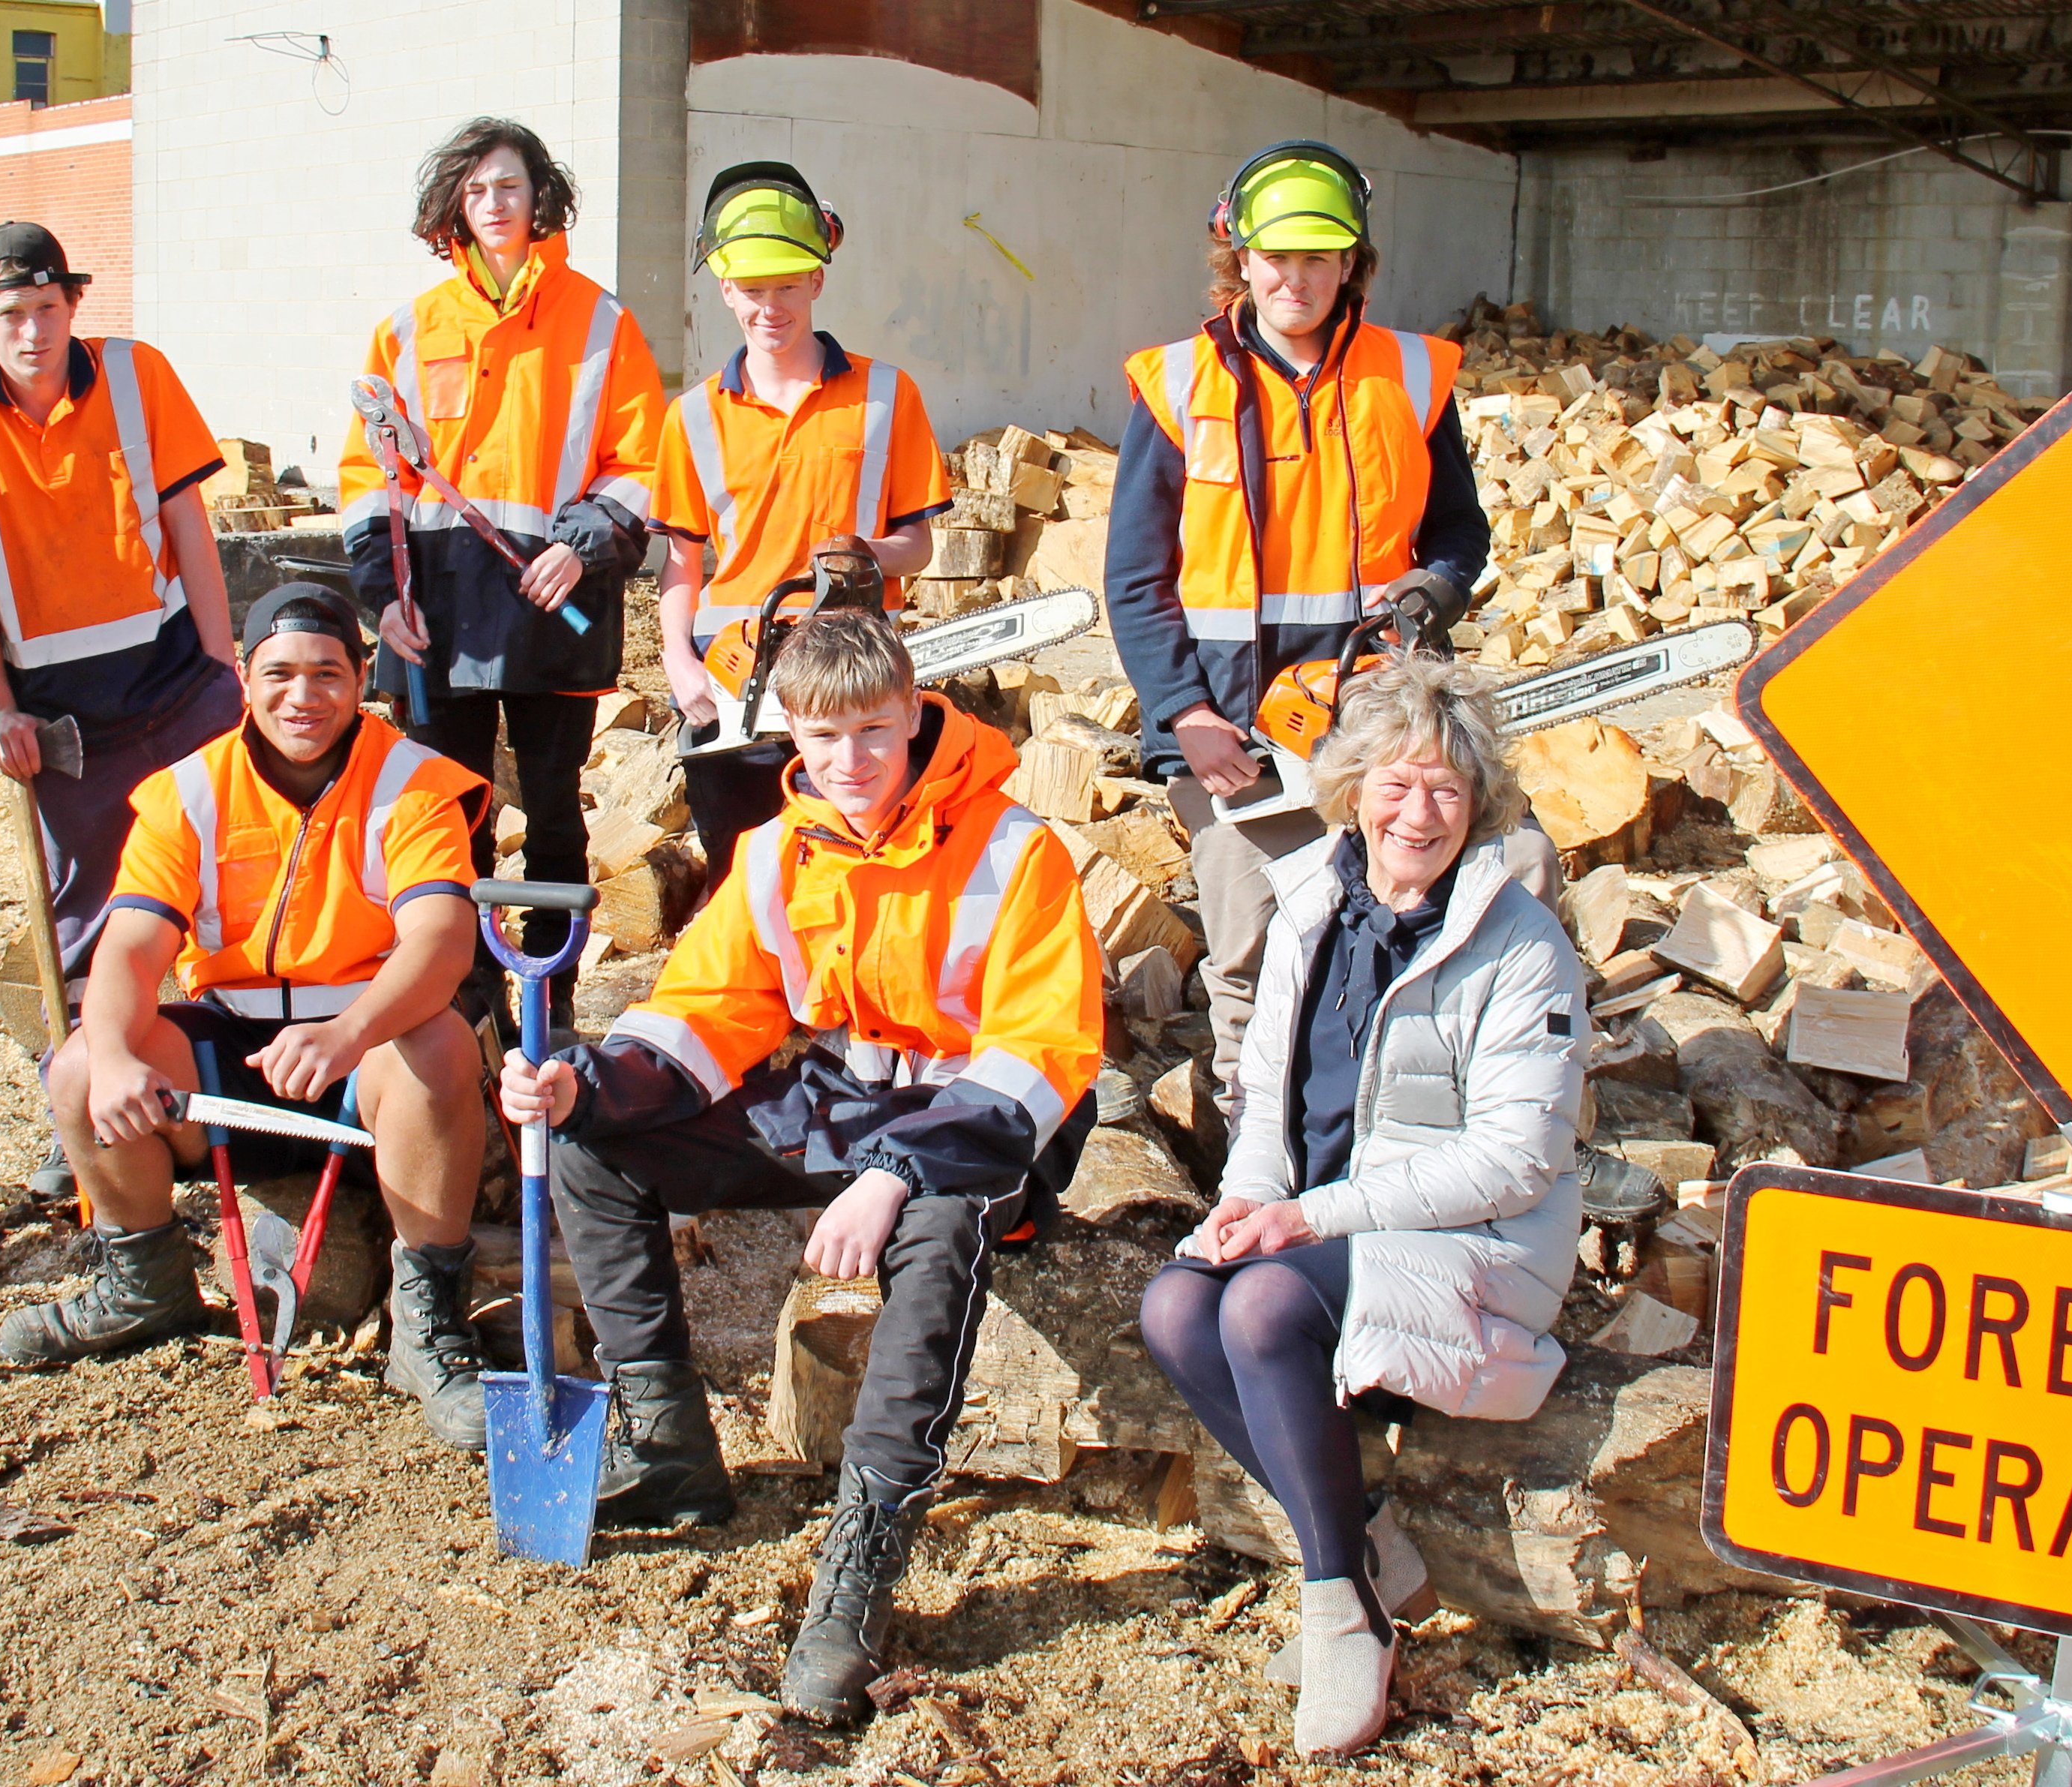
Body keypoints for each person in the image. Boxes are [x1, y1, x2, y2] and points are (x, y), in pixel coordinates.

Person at [497, 608, 1100, 1722]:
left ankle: (862, 1558)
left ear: (917, 715)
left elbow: (1043, 1053)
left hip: (981, 1124)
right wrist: (590, 1081)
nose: (849, 763)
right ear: (791, 737)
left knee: (934, 1225)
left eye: (873, 734)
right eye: (822, 742)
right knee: (592, 1145)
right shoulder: (778, 849)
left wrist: (890, 1170)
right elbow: (705, 1010)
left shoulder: (1021, 848)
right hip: (845, 1094)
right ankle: (671, 1446)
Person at [1137, 655, 1586, 1757]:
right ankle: (1371, 1539)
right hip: (1327, 1225)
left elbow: (1517, 1159)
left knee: (1258, 1312)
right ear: (1352, 789)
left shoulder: (1521, 943)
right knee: (1174, 1307)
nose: (1417, 811)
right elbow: (1265, 1101)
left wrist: (1311, 1220)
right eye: (1395, 781)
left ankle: (1341, 1603)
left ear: (1479, 804)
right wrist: (1250, 1201)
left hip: (1474, 1243)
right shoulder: (1311, 908)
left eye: (1445, 788)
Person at [0, 587, 498, 1451]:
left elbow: (442, 943)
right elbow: (128, 950)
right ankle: (143, 1280)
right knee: (81, 1064)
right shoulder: (186, 792)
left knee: (438, 1043)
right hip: (233, 1057)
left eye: (328, 674)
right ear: (242, 675)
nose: (304, 697)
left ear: (363, 675)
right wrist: (114, 1055)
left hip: (362, 1058)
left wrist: (348, 1032)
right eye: (281, 674)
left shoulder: (414, 781)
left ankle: (423, 1319)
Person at [1104, 140, 1515, 1130]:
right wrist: (1181, 713)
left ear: (1350, 265)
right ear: (1239, 257)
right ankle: (1253, 1144)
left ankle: (1393, 1122)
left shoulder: (1410, 376)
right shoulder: (1178, 385)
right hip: (1230, 729)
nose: (1297, 278)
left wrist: (1435, 590)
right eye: (1277, 257)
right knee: (1249, 939)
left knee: (1404, 915)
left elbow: (1460, 529)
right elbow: (1134, 577)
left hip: (1377, 712)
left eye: (1319, 259)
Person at [0, 220, 244, 1205]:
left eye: (44, 309)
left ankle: (227, 1103)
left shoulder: (132, 374)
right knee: (79, 926)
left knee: (216, 898)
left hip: (170, 684)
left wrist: (221, 667)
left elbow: (188, 529)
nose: (29, 332)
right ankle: (78, 1117)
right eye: (7, 315)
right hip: (58, 714)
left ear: (72, 303)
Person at [340, 117, 662, 1034]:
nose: (493, 204)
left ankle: (549, 1001)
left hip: (552, 600)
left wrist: (584, 542)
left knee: (556, 813)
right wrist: (380, 593)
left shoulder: (600, 322)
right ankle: (466, 993)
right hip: (438, 614)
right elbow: (371, 477)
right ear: (454, 204)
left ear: (539, 197)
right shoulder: (407, 329)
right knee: (451, 814)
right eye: (476, 189)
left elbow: (640, 459)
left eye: (509, 186)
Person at [650, 161, 950, 890]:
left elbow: (919, 542)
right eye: (752, 291)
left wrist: (866, 552)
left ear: (817, 280)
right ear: (725, 290)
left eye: (787, 286)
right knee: (742, 875)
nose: (770, 307)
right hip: (731, 664)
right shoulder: (692, 416)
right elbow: (681, 565)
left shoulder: (886, 393)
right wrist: (680, 666)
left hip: (851, 666)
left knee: (849, 870)